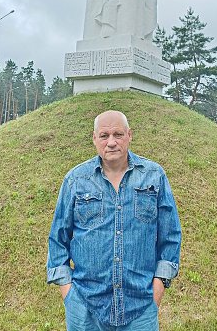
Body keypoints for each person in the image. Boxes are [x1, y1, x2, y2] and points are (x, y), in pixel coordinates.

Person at [47, 110, 181, 330]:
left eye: (118, 134)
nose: (111, 142)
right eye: (104, 135)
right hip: (85, 309)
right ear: (94, 138)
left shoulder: (154, 176)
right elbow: (58, 238)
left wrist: (158, 288)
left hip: (141, 307)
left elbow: (170, 236)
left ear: (129, 135)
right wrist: (68, 294)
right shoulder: (75, 180)